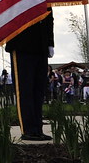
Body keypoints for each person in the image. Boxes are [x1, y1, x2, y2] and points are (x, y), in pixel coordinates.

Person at [5, 8, 54, 140]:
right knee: (25, 90)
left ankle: (38, 128)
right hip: (21, 44)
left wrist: (50, 42)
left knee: (38, 90)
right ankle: (28, 129)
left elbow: (49, 19)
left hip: (41, 46)